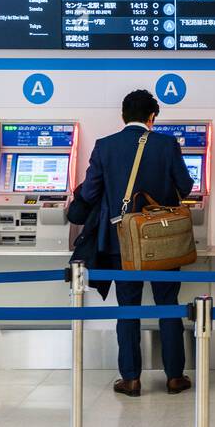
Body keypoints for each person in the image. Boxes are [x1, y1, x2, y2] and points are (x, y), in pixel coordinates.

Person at [77, 89, 194, 398]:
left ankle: (130, 378)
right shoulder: (167, 145)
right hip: (162, 240)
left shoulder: (105, 147)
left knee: (127, 307)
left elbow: (89, 194)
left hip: (121, 242)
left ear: (123, 117)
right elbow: (185, 186)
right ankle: (174, 377)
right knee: (168, 305)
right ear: (152, 117)